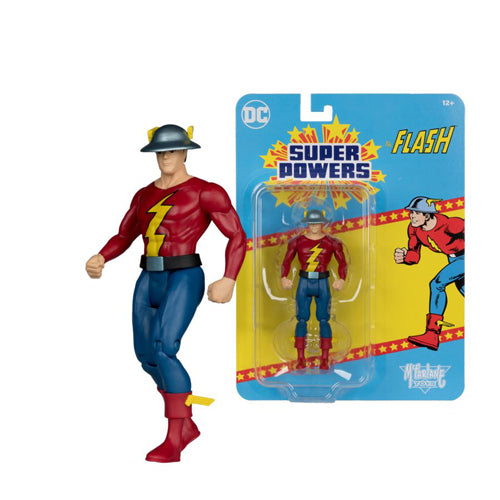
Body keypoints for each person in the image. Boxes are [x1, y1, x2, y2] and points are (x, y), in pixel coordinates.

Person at [86, 124, 246, 462]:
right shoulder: (143, 195)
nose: (165, 157)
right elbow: (124, 235)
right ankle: (185, 422)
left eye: (172, 150)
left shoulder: (206, 192)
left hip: (184, 274)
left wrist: (229, 278)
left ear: (185, 152)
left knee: (165, 348)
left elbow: (236, 235)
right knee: (146, 355)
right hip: (148, 276)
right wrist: (102, 256)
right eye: (160, 151)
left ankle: (175, 437)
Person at [394, 196, 464, 350]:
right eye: (411, 213)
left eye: (416, 213)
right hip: (453, 260)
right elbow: (414, 256)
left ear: (427, 215)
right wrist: (405, 257)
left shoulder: (450, 225)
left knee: (437, 284)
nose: (412, 216)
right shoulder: (414, 229)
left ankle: (432, 334)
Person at [281, 210, 347, 370]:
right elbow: (286, 261)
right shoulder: (296, 242)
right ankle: (300, 359)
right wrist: (283, 277)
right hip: (304, 281)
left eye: (317, 223)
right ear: (307, 224)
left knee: (324, 319)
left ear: (322, 223)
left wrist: (341, 279)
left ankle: (325, 359)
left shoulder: (332, 242)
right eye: (312, 223)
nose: (315, 226)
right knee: (301, 319)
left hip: (323, 281)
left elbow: (343, 262)